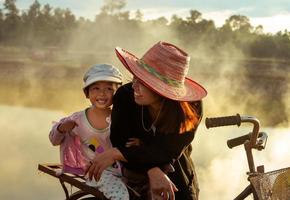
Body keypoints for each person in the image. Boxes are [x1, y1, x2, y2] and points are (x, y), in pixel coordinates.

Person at [86, 41, 207, 200]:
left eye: (143, 82)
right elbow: (120, 140)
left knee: (178, 193)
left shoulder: (190, 109)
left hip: (175, 165)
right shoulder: (125, 95)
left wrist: (117, 153)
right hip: (131, 165)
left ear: (163, 90)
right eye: (135, 77)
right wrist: (152, 169)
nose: (134, 86)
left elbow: (168, 152)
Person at [49, 64, 130, 200]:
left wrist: (137, 141)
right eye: (96, 88)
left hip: (124, 168)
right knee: (120, 196)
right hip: (98, 171)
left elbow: (131, 139)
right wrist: (61, 128)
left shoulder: (121, 118)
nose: (102, 93)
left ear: (117, 93)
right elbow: (54, 140)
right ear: (87, 93)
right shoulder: (78, 120)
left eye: (109, 89)